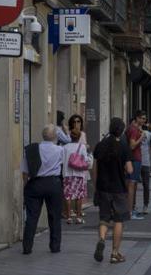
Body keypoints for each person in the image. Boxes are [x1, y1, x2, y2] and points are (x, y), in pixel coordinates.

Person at [92, 118, 132, 264]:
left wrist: (96, 186)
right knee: (118, 220)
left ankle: (102, 239)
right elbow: (129, 169)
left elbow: (94, 169)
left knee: (104, 218)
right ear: (121, 131)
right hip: (118, 189)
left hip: (103, 188)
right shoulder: (123, 146)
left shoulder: (100, 145)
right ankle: (115, 253)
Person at [21, 124, 64, 255]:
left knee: (32, 216)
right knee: (55, 216)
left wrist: (25, 186)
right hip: (53, 184)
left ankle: (27, 247)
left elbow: (25, 171)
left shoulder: (32, 149)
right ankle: (55, 246)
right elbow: (64, 167)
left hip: (35, 184)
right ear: (55, 137)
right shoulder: (59, 150)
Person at [62, 128, 91, 224]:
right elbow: (86, 160)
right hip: (79, 174)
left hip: (67, 174)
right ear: (79, 137)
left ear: (70, 136)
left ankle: (69, 217)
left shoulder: (65, 147)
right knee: (79, 196)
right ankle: (78, 217)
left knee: (68, 196)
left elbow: (62, 161)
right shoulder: (82, 147)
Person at [125, 110, 146, 220]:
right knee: (132, 185)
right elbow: (132, 145)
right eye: (142, 118)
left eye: (144, 118)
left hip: (132, 159)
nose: (144, 120)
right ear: (137, 118)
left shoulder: (133, 128)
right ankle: (130, 212)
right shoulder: (133, 130)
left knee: (131, 184)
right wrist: (141, 138)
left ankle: (131, 209)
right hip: (134, 159)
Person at [139, 122, 151, 214]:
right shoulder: (149, 134)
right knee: (146, 185)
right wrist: (150, 152)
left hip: (139, 161)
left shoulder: (147, 134)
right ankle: (145, 205)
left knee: (133, 184)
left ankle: (133, 206)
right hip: (146, 162)